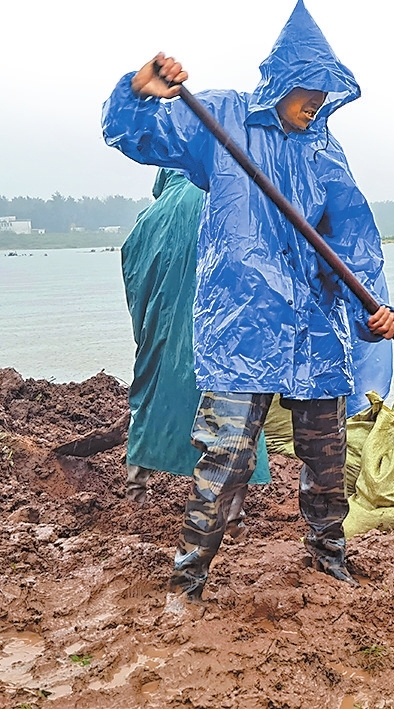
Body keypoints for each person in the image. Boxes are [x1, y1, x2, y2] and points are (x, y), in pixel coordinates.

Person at [102, 0, 394, 598]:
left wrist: (372, 314)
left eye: (324, 91)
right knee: (226, 463)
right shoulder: (222, 119)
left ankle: (328, 556)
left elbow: (353, 244)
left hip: (315, 331)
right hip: (244, 326)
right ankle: (188, 577)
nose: (315, 102)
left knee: (327, 462)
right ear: (283, 81)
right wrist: (138, 89)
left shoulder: (326, 152)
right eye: (306, 89)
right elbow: (136, 132)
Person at [120, 168, 270, 541]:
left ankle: (135, 493)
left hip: (162, 331)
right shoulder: (224, 200)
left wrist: (153, 327)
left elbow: (135, 281)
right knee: (237, 409)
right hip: (219, 331)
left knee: (152, 394)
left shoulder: (149, 219)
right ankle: (233, 517)